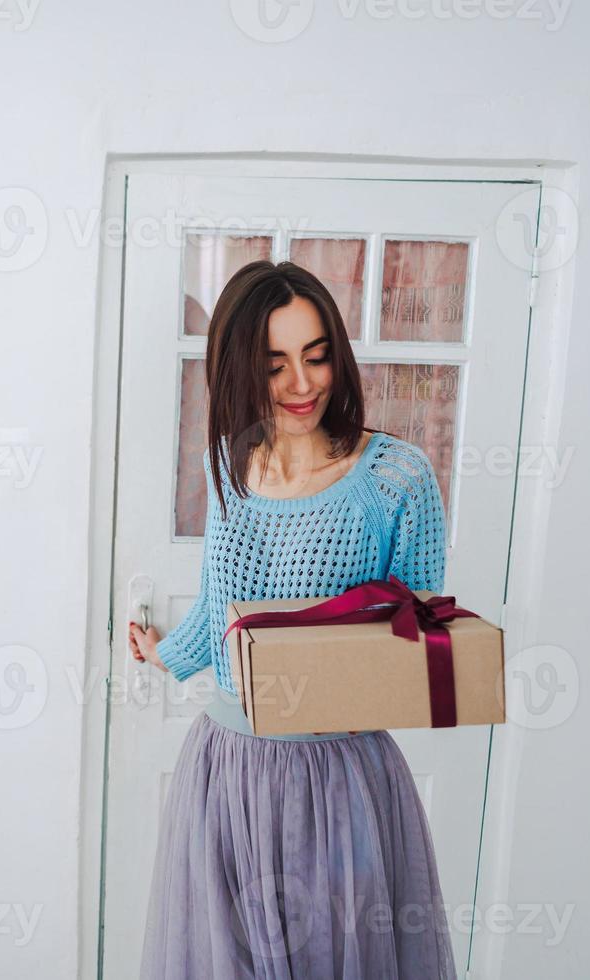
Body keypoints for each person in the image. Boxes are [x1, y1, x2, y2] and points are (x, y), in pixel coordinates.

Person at [127, 259, 457, 980]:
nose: (302, 384)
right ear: (242, 368)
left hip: (335, 776)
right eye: (275, 364)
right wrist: (164, 653)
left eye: (316, 357)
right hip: (225, 766)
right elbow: (223, 607)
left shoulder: (396, 477)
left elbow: (417, 635)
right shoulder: (229, 464)